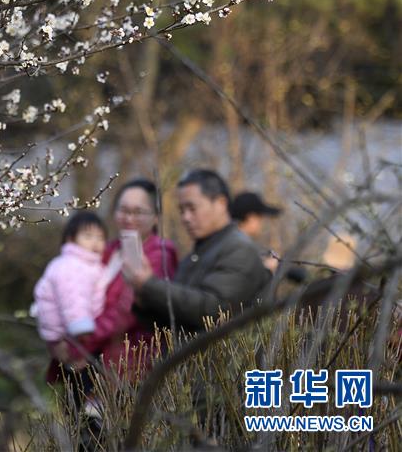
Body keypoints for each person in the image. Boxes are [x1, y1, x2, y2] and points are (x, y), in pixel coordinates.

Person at [122, 169, 271, 334]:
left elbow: (214, 310)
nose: (185, 217)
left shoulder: (240, 249)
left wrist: (149, 285)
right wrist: (143, 300)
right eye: (181, 210)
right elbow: (176, 322)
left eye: (192, 208)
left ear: (221, 204)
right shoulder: (194, 256)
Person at [81, 179, 178, 377]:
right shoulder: (109, 249)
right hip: (92, 356)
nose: (129, 218)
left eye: (138, 212)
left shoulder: (160, 253)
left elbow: (127, 311)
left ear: (156, 218)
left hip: (131, 362)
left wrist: (82, 343)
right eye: (123, 210)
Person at [33, 211, 117, 415]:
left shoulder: (88, 264)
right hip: (69, 332)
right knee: (81, 370)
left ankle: (83, 408)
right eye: (88, 237)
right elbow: (74, 301)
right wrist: (82, 329)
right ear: (71, 239)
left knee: (81, 372)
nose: (95, 243)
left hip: (71, 331)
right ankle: (89, 406)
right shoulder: (71, 265)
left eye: (100, 237)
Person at [231, 191, 307, 283]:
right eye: (260, 217)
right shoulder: (238, 246)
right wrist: (266, 270)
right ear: (251, 217)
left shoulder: (230, 240)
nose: (261, 222)